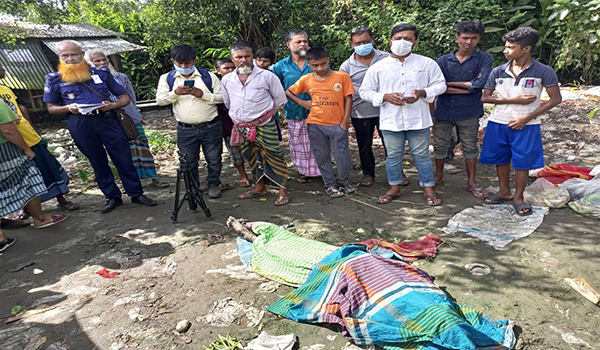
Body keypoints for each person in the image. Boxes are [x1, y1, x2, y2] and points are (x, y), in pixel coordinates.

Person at [44, 40, 156, 213]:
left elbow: (124, 97)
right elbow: (51, 108)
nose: (70, 58)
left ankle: (136, 193)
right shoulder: (54, 80)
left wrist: (111, 106)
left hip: (106, 120)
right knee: (97, 161)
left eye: (74, 54)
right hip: (80, 123)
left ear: (81, 55)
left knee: (123, 157)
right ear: (59, 57)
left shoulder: (101, 74)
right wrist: (68, 108)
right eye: (65, 55)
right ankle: (112, 197)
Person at [360, 24, 447, 206]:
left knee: (422, 155)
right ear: (390, 40)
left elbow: (441, 85)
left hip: (419, 119)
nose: (402, 42)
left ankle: (428, 187)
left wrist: (423, 93)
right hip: (391, 120)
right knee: (393, 156)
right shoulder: (379, 67)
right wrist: (385, 96)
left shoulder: (427, 63)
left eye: (407, 39)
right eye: (398, 38)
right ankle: (394, 186)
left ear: (415, 42)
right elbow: (365, 91)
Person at [480, 27, 562, 215]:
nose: (505, 50)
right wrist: (512, 100)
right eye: (506, 46)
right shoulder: (498, 71)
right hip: (498, 122)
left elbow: (556, 99)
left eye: (510, 47)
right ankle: (504, 191)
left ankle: (518, 196)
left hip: (527, 124)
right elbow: (485, 97)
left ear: (526, 49)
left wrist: (527, 117)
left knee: (522, 162)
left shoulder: (543, 71)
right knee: (500, 158)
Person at [86, 49, 169, 188]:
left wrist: (136, 113)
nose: (102, 63)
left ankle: (153, 178)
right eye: (97, 61)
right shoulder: (88, 82)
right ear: (89, 63)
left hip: (130, 118)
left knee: (142, 146)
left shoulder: (120, 77)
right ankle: (132, 183)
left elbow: (130, 97)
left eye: (104, 59)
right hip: (110, 121)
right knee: (124, 152)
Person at [1, 62, 78, 212]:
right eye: (0, 66)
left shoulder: (5, 89)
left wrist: (35, 132)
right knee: (23, 177)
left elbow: (20, 110)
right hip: (14, 142)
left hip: (30, 137)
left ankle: (61, 198)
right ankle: (28, 210)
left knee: (49, 169)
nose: (3, 68)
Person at [221, 40, 290, 206]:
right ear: (232, 58)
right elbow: (228, 103)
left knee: (274, 155)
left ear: (253, 56)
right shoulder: (227, 80)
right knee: (250, 155)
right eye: (239, 57)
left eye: (247, 56)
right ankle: (260, 187)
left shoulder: (267, 76)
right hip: (241, 127)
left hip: (265, 124)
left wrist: (262, 117)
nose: (244, 60)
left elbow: (280, 100)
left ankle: (283, 190)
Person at [339, 27, 409, 187]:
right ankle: (368, 174)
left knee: (392, 143)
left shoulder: (388, 58)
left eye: (365, 41)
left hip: (387, 109)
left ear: (372, 40)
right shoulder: (346, 67)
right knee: (364, 144)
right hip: (360, 111)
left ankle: (398, 172)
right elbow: (344, 92)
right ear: (352, 44)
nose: (362, 45)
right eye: (358, 43)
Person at [433, 20, 493, 197]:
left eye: (473, 38)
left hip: (469, 111)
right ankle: (438, 175)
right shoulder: (443, 60)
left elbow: (482, 83)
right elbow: (438, 86)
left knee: (470, 146)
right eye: (465, 38)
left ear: (479, 39)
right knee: (440, 145)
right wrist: (469, 87)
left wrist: (448, 84)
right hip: (443, 110)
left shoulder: (484, 58)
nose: (468, 42)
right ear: (456, 38)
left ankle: (471, 181)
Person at [286, 47, 356, 197]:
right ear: (309, 64)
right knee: (322, 155)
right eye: (315, 65)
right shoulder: (306, 79)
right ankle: (330, 184)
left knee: (342, 155)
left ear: (328, 60)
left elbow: (348, 98)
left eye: (323, 64)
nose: (320, 68)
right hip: (315, 124)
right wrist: (303, 103)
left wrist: (345, 121)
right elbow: (289, 92)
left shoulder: (341, 77)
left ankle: (344, 181)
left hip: (338, 124)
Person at [156, 44, 224, 198]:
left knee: (213, 158)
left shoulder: (208, 77)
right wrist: (175, 93)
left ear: (194, 60)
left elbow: (223, 98)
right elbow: (160, 101)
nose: (183, 67)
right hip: (185, 128)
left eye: (187, 63)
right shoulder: (167, 79)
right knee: (188, 161)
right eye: (179, 64)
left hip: (210, 125)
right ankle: (192, 188)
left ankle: (213, 184)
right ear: (173, 61)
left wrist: (204, 95)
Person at [0, 100, 68, 252]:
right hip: (4, 151)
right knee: (29, 178)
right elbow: (8, 130)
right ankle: (40, 218)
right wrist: (26, 149)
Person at [272, 29, 320, 183]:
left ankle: (321, 170)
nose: (303, 44)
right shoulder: (280, 67)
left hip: (319, 110)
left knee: (320, 141)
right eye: (298, 42)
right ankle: (304, 171)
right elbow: (278, 88)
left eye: (305, 41)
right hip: (294, 111)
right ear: (288, 44)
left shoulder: (316, 62)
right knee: (299, 143)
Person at [216, 57, 251, 187]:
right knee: (235, 152)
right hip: (228, 125)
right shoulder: (217, 86)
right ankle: (243, 175)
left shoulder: (244, 82)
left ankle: (258, 174)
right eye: (226, 68)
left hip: (248, 122)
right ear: (218, 70)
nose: (230, 70)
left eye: (232, 68)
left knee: (253, 149)